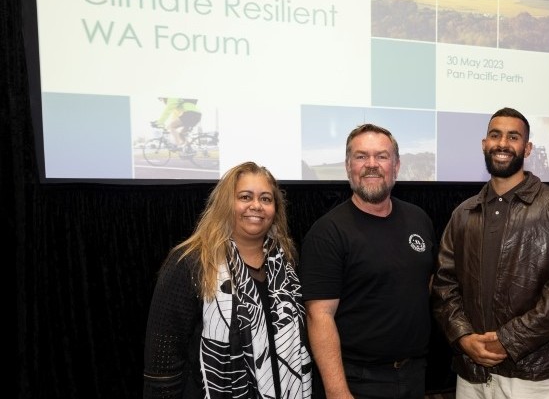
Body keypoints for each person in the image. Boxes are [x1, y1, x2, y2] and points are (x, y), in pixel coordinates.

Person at [431, 107, 549, 398]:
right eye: (495, 135)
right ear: (484, 144)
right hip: (471, 370)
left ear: (526, 148)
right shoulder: (463, 213)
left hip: (529, 372)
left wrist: (507, 341)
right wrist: (464, 337)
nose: (503, 144)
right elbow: (443, 285)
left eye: (513, 137)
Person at [143, 162, 312, 399]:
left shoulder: (286, 261)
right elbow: (162, 362)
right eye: (245, 197)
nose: (256, 206)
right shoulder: (190, 262)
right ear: (225, 204)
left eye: (266, 199)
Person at [298, 124, 437, 399]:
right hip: (358, 381)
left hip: (414, 375)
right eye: (361, 156)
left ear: (396, 166)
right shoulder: (328, 232)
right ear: (348, 166)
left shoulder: (419, 219)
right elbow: (319, 316)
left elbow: (426, 285)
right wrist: (338, 391)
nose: (371, 165)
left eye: (381, 156)